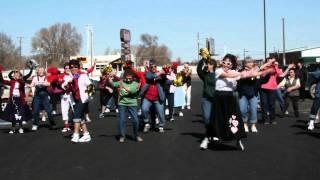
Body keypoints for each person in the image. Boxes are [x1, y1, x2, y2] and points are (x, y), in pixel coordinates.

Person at [207, 54, 259, 151]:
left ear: (231, 65)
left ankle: (238, 140)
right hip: (219, 97)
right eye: (224, 62)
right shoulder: (219, 71)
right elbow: (227, 75)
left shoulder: (234, 72)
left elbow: (249, 75)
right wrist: (240, 73)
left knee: (234, 119)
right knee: (218, 118)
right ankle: (215, 136)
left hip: (230, 97)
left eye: (228, 63)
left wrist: (259, 70)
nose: (226, 64)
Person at [237, 59, 274, 133]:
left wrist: (268, 74)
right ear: (245, 64)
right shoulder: (241, 71)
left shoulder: (256, 72)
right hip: (243, 94)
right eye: (249, 62)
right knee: (242, 110)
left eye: (251, 62)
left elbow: (263, 80)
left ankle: (253, 125)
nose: (251, 63)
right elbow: (240, 78)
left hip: (253, 94)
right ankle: (244, 124)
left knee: (253, 110)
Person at [110, 69, 143, 142]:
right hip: (122, 103)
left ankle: (136, 135)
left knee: (136, 121)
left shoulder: (135, 84)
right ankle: (122, 136)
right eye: (127, 78)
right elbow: (113, 84)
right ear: (124, 77)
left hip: (132, 103)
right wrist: (109, 77)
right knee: (122, 120)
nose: (128, 79)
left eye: (130, 78)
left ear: (133, 77)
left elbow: (131, 91)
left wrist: (123, 87)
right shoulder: (121, 82)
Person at [260, 57, 294, 125]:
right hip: (263, 88)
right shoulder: (265, 67)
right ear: (267, 61)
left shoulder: (275, 68)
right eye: (270, 60)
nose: (272, 61)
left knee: (272, 104)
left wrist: (288, 68)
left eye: (272, 60)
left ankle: (272, 119)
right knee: (264, 104)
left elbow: (282, 75)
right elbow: (260, 68)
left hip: (272, 88)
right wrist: (269, 62)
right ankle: (265, 119)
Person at [0, 69, 32, 134]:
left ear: (20, 76)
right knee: (13, 114)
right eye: (14, 74)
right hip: (12, 99)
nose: (15, 75)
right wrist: (0, 74)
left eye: (17, 74)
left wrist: (18, 78)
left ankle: (20, 127)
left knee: (19, 114)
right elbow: (3, 81)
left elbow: (22, 83)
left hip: (20, 100)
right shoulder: (12, 81)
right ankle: (13, 128)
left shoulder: (21, 81)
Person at [69, 60, 92, 143]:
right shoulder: (71, 76)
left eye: (75, 67)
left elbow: (90, 85)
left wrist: (89, 95)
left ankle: (76, 134)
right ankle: (86, 135)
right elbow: (63, 85)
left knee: (76, 116)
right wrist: (65, 86)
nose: (73, 69)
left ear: (78, 67)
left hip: (83, 99)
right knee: (81, 117)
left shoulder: (83, 75)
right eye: (71, 67)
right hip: (75, 99)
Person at [197, 58, 217, 149]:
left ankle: (213, 134)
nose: (207, 66)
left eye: (209, 64)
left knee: (215, 118)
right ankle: (209, 132)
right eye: (207, 64)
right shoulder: (205, 75)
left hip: (216, 99)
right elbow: (198, 70)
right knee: (206, 117)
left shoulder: (218, 75)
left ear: (213, 65)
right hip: (206, 99)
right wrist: (202, 60)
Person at [140, 63, 166, 133]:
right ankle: (147, 123)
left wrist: (165, 74)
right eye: (152, 67)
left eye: (155, 66)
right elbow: (149, 77)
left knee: (160, 112)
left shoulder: (160, 74)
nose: (153, 68)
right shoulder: (148, 73)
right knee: (144, 109)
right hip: (147, 97)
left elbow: (166, 80)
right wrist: (159, 73)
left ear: (156, 67)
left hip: (157, 98)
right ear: (150, 67)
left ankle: (161, 126)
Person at [60, 63, 74, 132]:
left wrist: (71, 75)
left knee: (75, 109)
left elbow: (75, 80)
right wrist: (64, 85)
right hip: (64, 94)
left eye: (68, 68)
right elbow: (60, 84)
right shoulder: (61, 75)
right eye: (66, 68)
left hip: (72, 94)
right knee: (64, 109)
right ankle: (66, 126)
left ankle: (78, 124)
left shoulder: (73, 74)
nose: (67, 70)